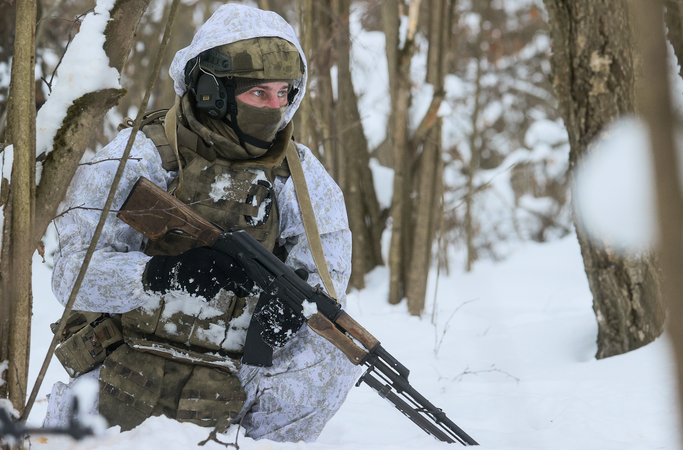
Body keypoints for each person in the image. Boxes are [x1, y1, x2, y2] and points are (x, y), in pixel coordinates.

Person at [43, 4, 359, 443]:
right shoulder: (142, 156)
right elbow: (70, 277)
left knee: (337, 348)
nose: (275, 108)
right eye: (258, 94)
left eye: (283, 93)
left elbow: (329, 279)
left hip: (235, 376)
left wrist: (287, 312)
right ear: (212, 92)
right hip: (123, 357)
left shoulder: (301, 180)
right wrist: (160, 274)